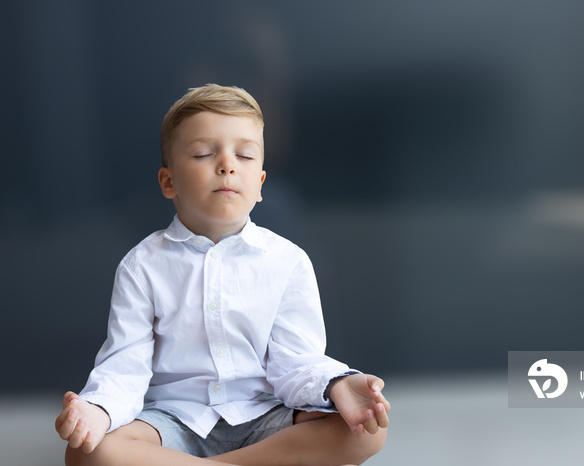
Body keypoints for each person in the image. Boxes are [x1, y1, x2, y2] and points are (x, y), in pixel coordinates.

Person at [55, 84, 390, 466]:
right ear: (169, 182)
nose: (227, 164)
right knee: (88, 453)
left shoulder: (288, 261)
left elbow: (296, 361)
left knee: (365, 432)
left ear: (260, 185)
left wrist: (339, 385)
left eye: (245, 155)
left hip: (263, 419)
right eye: (202, 153)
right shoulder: (142, 264)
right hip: (174, 422)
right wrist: (97, 409)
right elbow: (125, 365)